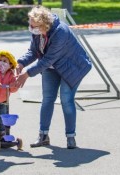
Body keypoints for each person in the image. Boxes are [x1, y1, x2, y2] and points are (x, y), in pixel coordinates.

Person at [15, 6, 92, 149]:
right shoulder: (37, 31)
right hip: (52, 67)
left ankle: (71, 137)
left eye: (34, 26)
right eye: (30, 24)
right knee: (47, 99)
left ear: (44, 24)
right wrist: (20, 63)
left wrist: (27, 74)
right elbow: (33, 51)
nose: (31, 28)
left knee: (66, 99)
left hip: (72, 67)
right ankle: (43, 136)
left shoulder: (60, 31)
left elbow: (48, 59)